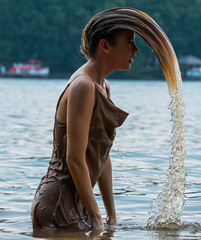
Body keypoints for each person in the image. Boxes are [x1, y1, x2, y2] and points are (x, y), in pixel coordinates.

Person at [31, 8, 139, 232]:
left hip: (79, 204)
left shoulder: (103, 86)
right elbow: (74, 159)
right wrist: (96, 217)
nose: (135, 49)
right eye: (129, 42)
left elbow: (102, 156)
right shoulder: (83, 85)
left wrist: (111, 214)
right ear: (105, 46)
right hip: (57, 204)